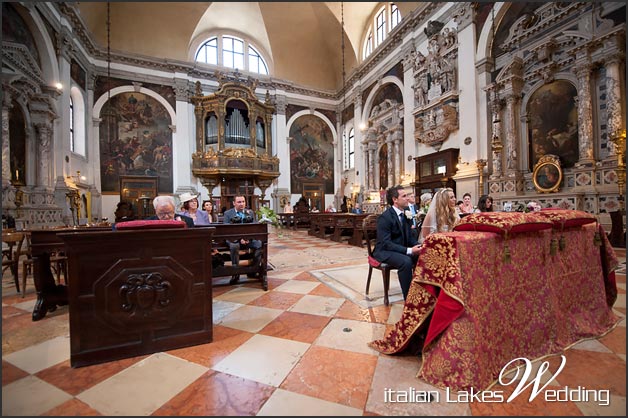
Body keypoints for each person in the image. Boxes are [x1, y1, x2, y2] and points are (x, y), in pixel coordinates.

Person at [372, 185, 422, 300]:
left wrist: (418, 246)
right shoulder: (385, 217)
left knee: (422, 256)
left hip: (398, 248)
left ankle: (422, 293)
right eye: (404, 196)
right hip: (384, 251)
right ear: (395, 200)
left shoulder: (405, 214)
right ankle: (409, 299)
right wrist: (409, 250)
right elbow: (386, 243)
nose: (407, 199)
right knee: (406, 261)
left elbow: (409, 237)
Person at [222, 195, 262, 285]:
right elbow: (227, 230)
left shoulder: (250, 212)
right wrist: (240, 239)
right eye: (239, 202)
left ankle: (253, 269)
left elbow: (254, 227)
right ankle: (235, 273)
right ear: (234, 203)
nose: (241, 204)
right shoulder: (228, 213)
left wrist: (248, 238)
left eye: (243, 202)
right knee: (234, 246)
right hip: (234, 239)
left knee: (259, 243)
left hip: (248, 239)